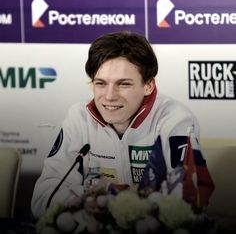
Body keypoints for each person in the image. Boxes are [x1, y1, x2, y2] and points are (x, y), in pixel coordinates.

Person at [31, 31, 213, 219]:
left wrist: (107, 196)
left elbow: (188, 200)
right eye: (100, 83)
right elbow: (42, 199)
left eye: (123, 84)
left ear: (148, 85)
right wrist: (106, 201)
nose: (109, 96)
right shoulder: (79, 118)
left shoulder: (175, 119)